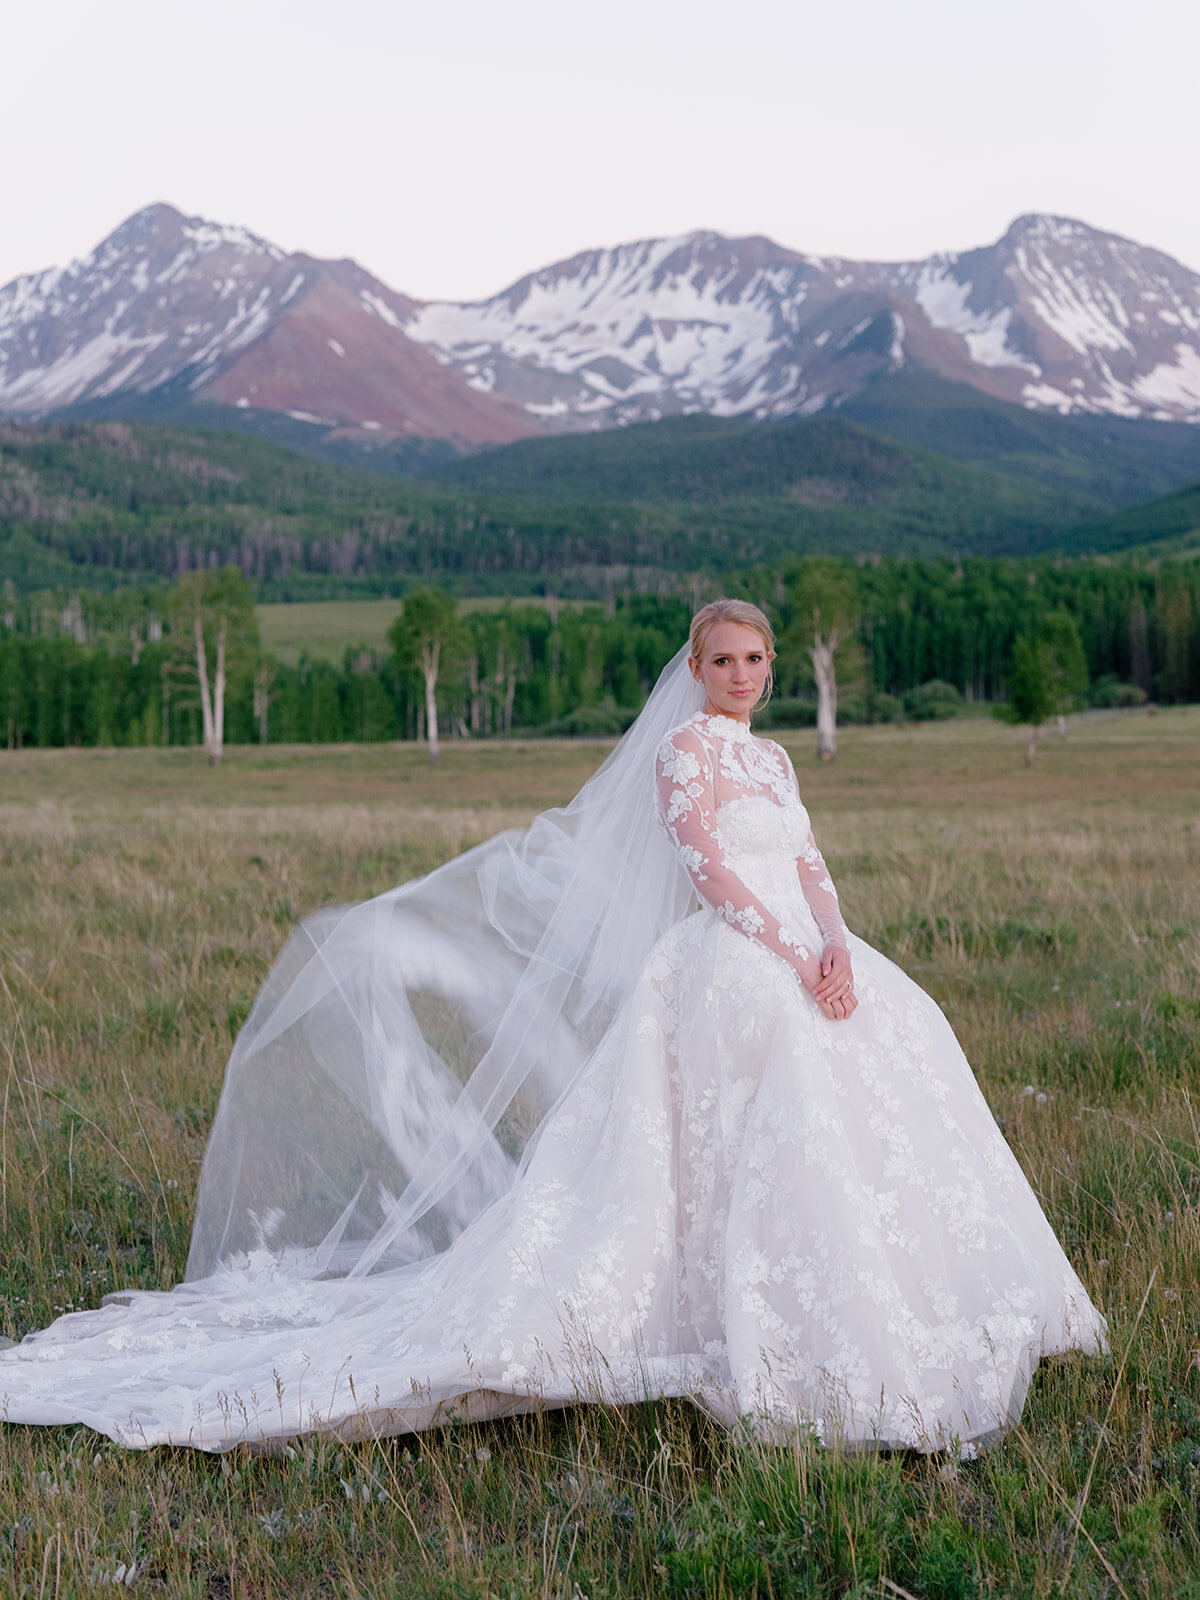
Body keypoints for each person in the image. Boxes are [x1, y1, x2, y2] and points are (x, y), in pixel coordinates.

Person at [0, 600, 1104, 1454]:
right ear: (694, 667)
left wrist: (836, 946)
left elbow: (807, 859)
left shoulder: (771, 757)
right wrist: (783, 951)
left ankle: (890, 1310)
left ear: (772, 667)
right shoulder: (686, 757)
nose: (740, 675)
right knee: (740, 1132)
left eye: (755, 659)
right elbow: (712, 869)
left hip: (809, 953)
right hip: (733, 959)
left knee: (882, 1091)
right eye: (720, 659)